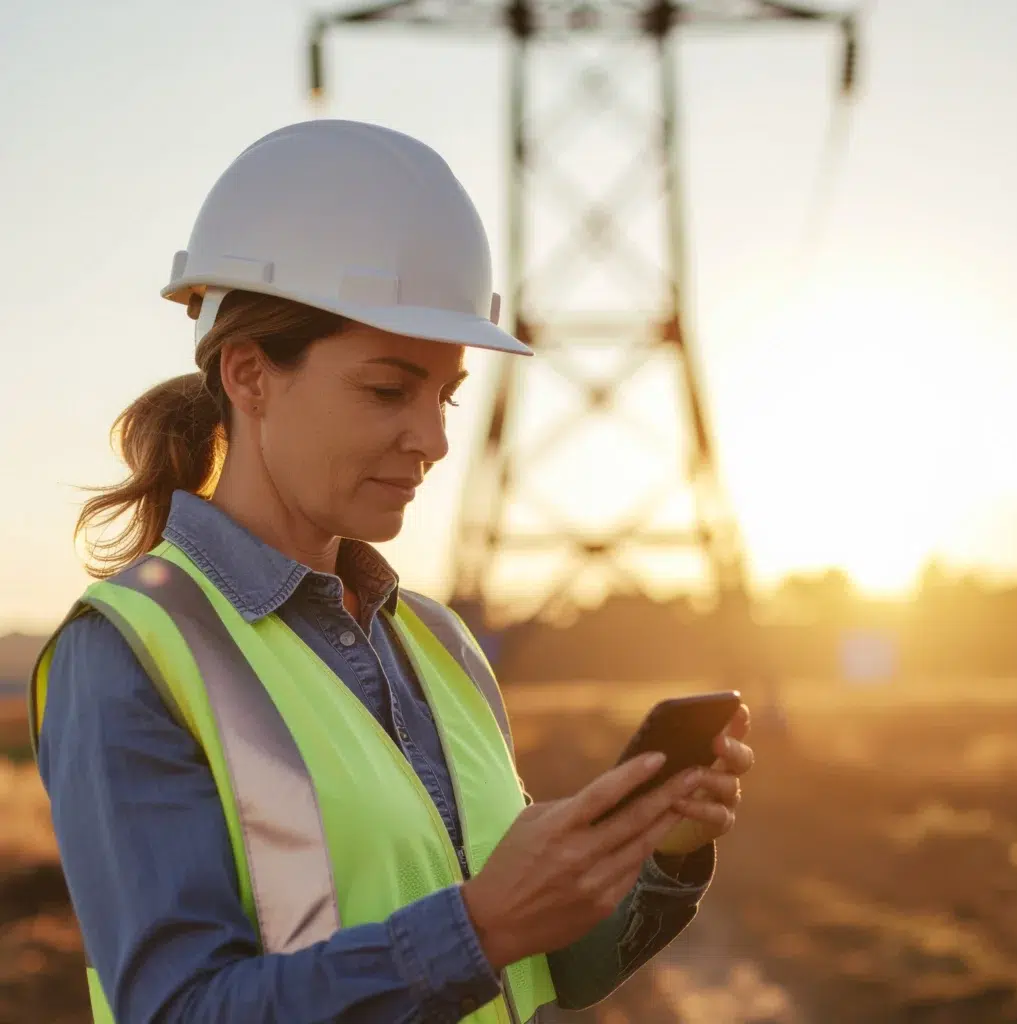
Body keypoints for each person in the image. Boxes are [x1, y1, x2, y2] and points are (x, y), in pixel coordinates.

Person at [29, 120, 755, 1024]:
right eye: (387, 390)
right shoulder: (126, 656)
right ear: (250, 375)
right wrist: (479, 928)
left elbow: (551, 970)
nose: (436, 440)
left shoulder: (438, 642)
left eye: (445, 394)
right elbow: (179, 1010)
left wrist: (665, 851)